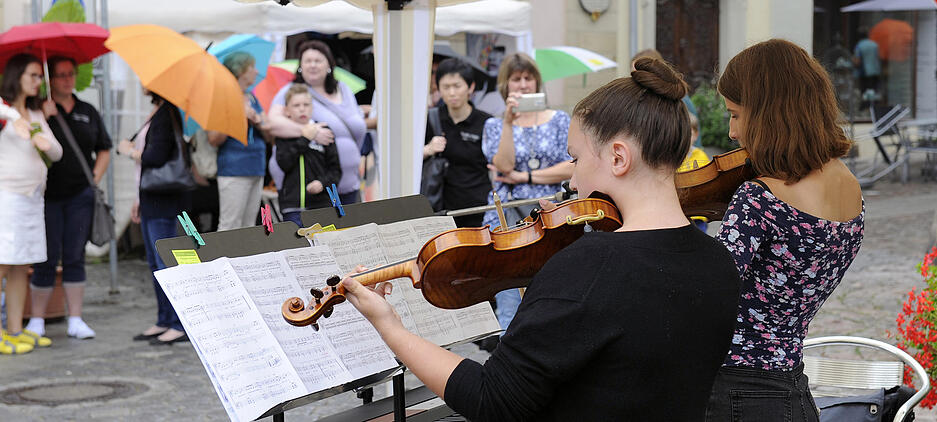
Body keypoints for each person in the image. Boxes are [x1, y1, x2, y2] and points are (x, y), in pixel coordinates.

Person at [340, 58, 742, 421]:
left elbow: (492, 400)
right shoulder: (719, 262)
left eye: (577, 159)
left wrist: (389, 325)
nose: (573, 180)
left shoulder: (587, 266)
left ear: (618, 158)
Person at [704, 39, 865, 422]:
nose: (731, 132)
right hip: (792, 392)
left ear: (768, 114)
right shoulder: (851, 189)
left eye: (735, 115)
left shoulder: (760, 199)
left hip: (734, 392)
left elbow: (704, 292)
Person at [482, 52, 573, 330]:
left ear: (537, 82)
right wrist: (509, 122)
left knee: (554, 290)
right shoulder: (495, 124)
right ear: (505, 86)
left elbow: (573, 166)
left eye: (528, 78)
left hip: (551, 213)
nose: (523, 85)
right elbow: (503, 164)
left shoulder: (559, 119)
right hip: (508, 218)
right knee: (511, 294)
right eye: (516, 79)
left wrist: (525, 176)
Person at [25, 56, 111, 341]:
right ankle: (36, 319)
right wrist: (44, 118)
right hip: (47, 196)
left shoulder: (87, 110)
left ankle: (76, 318)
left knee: (75, 256)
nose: (66, 79)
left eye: (70, 74)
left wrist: (94, 180)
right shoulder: (37, 110)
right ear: (50, 79)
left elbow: (104, 148)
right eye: (60, 75)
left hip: (79, 195)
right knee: (45, 257)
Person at [0, 53, 63, 354]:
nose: (39, 81)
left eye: (40, 76)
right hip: (7, 198)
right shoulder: (5, 110)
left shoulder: (37, 114)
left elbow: (58, 153)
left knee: (19, 265)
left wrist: (42, 139)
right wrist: (14, 119)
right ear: (17, 76)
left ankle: (14, 329)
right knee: (2, 262)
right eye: (33, 75)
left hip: (31, 200)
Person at [117, 92, 191, 346]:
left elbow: (155, 157)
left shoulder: (167, 113)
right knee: (154, 263)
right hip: (151, 197)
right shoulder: (158, 112)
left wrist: (129, 151)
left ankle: (177, 323)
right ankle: (164, 318)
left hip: (164, 199)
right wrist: (138, 198)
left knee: (166, 262)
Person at [268, 40, 367, 205]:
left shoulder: (344, 89)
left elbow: (357, 125)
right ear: (300, 66)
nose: (312, 65)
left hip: (348, 180)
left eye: (318, 60)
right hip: (314, 186)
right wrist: (309, 131)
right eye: (307, 61)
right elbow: (273, 122)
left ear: (329, 64)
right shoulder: (291, 91)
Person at [423, 58, 493, 227]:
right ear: (438, 88)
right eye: (446, 87)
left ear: (470, 87)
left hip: (478, 208)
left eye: (457, 86)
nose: (452, 93)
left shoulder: (486, 122)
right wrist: (428, 149)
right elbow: (408, 160)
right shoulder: (430, 119)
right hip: (440, 209)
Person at [209, 52, 269, 232]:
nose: (256, 71)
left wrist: (258, 121)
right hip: (234, 168)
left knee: (249, 226)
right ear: (241, 70)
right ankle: (224, 260)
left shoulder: (252, 97)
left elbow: (268, 134)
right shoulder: (223, 98)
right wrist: (237, 116)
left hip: (256, 166)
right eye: (252, 67)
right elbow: (214, 138)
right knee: (230, 224)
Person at [275, 84, 341, 227]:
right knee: (296, 247)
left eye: (306, 104)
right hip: (292, 206)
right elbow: (284, 163)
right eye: (296, 105)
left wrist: (322, 183)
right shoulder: (283, 133)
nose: (302, 108)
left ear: (312, 108)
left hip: (321, 205)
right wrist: (305, 138)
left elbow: (335, 170)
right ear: (287, 111)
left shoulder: (324, 131)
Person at [678, 112, 710, 232]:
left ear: (696, 135)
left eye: (689, 134)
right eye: (682, 133)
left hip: (698, 215)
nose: (685, 137)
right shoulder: (673, 157)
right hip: (681, 214)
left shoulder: (701, 156)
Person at [853, 27, 881, 96]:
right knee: (874, 94)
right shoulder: (874, 45)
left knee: (865, 95)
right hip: (875, 73)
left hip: (865, 74)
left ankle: (866, 106)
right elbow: (878, 58)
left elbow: (857, 61)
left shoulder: (859, 46)